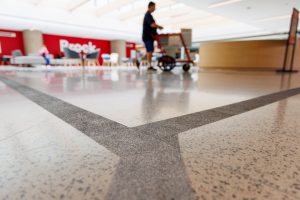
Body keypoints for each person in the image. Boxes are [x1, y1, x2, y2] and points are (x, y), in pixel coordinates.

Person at [142, 1, 163, 71]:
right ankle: (149, 66)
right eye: (154, 7)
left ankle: (140, 61)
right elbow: (152, 25)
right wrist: (159, 26)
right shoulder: (147, 15)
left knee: (149, 51)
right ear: (150, 7)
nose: (155, 8)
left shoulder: (149, 15)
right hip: (147, 36)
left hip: (149, 37)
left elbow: (152, 25)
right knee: (150, 51)